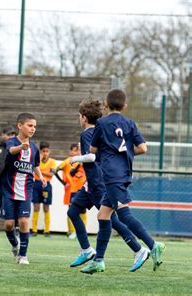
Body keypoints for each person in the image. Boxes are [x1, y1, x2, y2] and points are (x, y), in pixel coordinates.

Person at [81, 90, 165, 274]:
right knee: (103, 216)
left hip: (112, 175)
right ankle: (99, 261)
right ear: (124, 106)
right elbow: (143, 148)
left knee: (124, 215)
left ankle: (153, 245)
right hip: (124, 172)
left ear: (106, 103)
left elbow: (93, 150)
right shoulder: (130, 123)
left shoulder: (101, 123)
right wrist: (125, 154)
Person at [67, 99, 148, 272]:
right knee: (73, 211)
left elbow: (93, 156)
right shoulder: (96, 130)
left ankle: (139, 249)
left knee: (111, 220)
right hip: (91, 183)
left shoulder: (89, 132)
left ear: (83, 117)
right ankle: (87, 250)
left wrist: (75, 159)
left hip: (98, 183)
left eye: (79, 116)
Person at [1, 113, 47, 265]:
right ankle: (15, 244)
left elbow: (35, 165)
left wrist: (41, 177)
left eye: (34, 126)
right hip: (9, 189)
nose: (33, 128)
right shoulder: (12, 142)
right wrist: (21, 147)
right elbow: (11, 151)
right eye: (30, 125)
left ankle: (23, 255)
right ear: (20, 126)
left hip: (26, 189)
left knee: (24, 221)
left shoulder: (34, 148)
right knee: (8, 224)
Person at [57, 144, 86, 239]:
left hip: (83, 190)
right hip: (72, 190)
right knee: (72, 211)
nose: (76, 152)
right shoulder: (68, 161)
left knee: (83, 211)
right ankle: (72, 231)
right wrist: (64, 183)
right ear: (70, 152)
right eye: (74, 150)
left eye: (77, 150)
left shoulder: (85, 160)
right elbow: (55, 170)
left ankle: (82, 231)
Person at [31, 142, 57, 237]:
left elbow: (51, 174)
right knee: (36, 206)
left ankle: (47, 230)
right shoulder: (37, 160)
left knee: (46, 207)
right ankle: (34, 230)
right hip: (36, 184)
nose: (45, 153)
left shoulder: (52, 162)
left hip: (46, 185)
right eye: (43, 151)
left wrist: (40, 172)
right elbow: (33, 168)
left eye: (47, 151)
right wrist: (39, 159)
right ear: (40, 151)